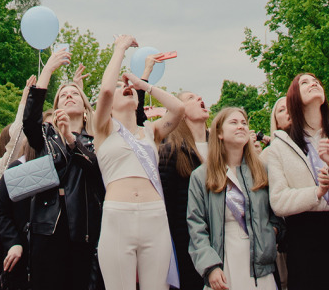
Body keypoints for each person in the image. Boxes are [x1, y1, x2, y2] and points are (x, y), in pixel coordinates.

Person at [91, 35, 188, 290]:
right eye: (124, 88)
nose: (128, 88)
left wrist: (143, 85)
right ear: (110, 107)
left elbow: (178, 110)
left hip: (155, 218)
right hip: (117, 217)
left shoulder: (151, 132)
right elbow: (106, 90)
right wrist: (119, 49)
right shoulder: (103, 128)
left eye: (131, 89)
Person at [262, 73, 329, 290]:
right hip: (304, 242)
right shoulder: (280, 146)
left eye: (316, 81)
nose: (313, 83)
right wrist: (317, 192)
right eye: (304, 83)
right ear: (293, 99)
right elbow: (278, 202)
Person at [23, 46, 104, 290]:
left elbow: (95, 169)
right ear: (56, 106)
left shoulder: (97, 139)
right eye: (63, 94)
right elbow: (30, 121)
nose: (69, 96)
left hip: (85, 227)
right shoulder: (46, 136)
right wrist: (47, 70)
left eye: (75, 94)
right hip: (48, 227)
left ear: (86, 107)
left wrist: (71, 137)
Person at [186, 105, 279, 290]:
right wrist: (210, 266)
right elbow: (196, 225)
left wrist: (271, 233)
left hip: (259, 263)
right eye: (234, 122)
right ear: (219, 133)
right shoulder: (201, 176)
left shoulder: (262, 171)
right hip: (224, 258)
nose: (241, 126)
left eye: (244, 123)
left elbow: (276, 213)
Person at [159, 89, 210, 290]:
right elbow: (164, 206)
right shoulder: (171, 150)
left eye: (199, 96)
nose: (199, 98)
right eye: (191, 98)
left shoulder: (220, 148)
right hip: (187, 249)